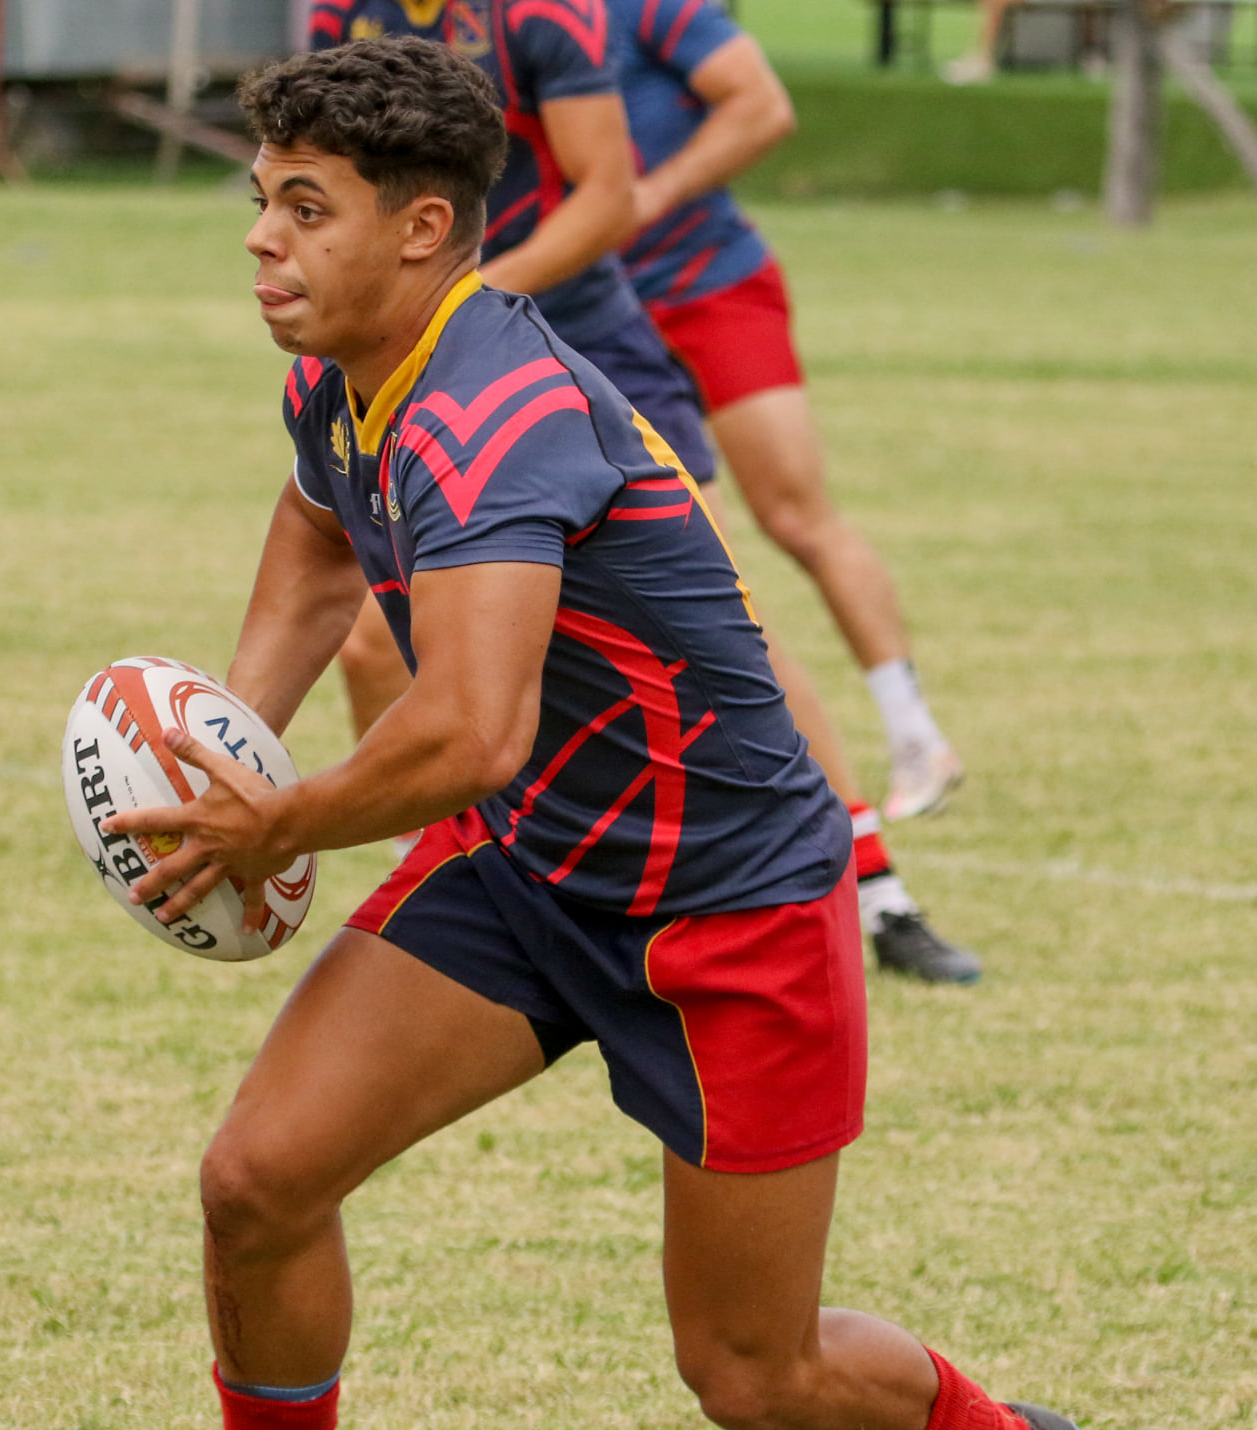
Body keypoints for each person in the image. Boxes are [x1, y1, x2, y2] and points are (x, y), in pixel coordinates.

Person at [54, 38, 1097, 1430]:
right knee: (257, 1180)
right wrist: (227, 738)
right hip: (534, 872)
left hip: (729, 912)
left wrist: (280, 815)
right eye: (260, 199)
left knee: (752, 1370)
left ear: (422, 231)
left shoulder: (498, 412)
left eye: (303, 208)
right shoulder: (347, 367)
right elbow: (321, 521)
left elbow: (473, 730)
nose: (259, 237)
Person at [314, 0, 981, 983]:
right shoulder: (345, 14)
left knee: (717, 623)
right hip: (441, 358)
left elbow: (609, 195)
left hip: (582, 342)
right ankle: (468, 863)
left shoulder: (545, 15)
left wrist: (461, 303)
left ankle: (874, 891)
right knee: (378, 641)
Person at [613, 0, 965, 823]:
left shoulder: (646, 8)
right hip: (602, 313)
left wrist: (650, 194)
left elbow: (763, 106)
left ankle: (914, 736)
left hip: (709, 284)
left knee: (796, 515)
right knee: (687, 557)